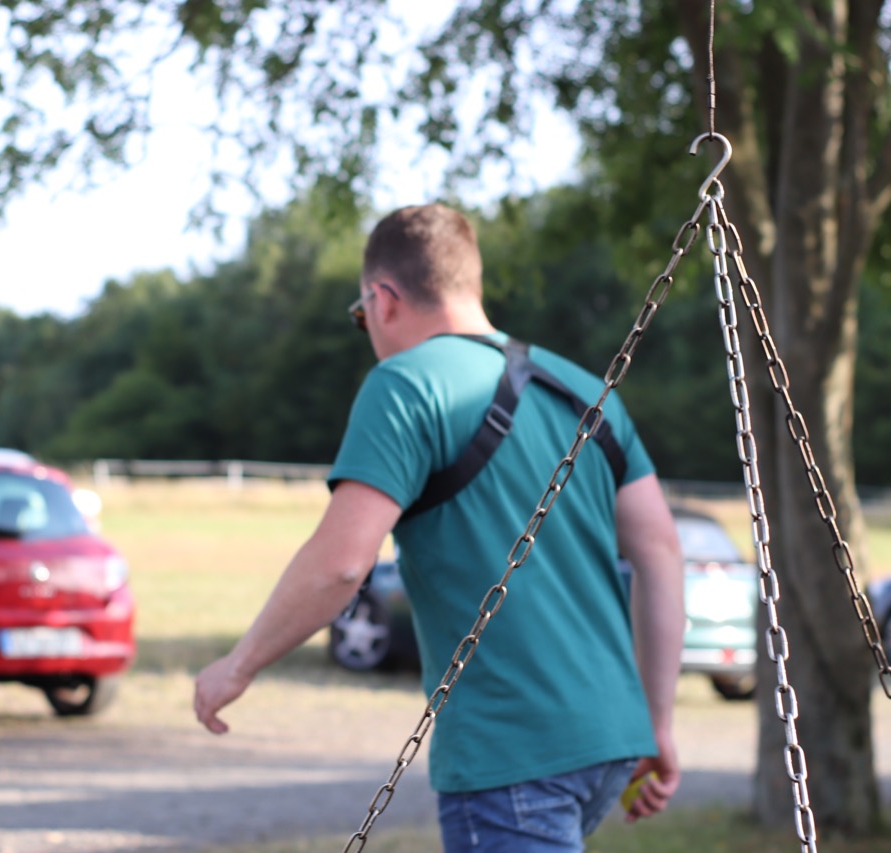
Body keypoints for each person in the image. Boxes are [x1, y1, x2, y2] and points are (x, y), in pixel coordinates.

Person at [194, 203, 685, 851]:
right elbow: (661, 553)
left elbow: (342, 564)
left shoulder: (403, 384)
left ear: (383, 299)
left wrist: (238, 665)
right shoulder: (588, 391)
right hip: (610, 740)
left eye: (361, 315)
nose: (367, 328)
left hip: (510, 751)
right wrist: (657, 722)